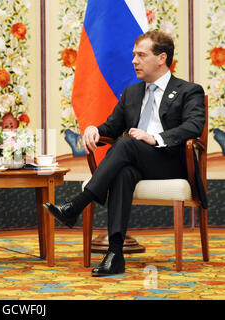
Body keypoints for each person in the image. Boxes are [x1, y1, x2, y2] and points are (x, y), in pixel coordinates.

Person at [44, 30, 206, 276]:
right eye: (134, 55)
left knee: (126, 143)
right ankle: (115, 254)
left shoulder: (188, 90)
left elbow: (194, 126)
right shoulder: (132, 93)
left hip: (171, 161)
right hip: (137, 160)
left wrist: (155, 137)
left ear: (161, 58)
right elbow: (111, 127)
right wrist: (93, 130)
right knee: (123, 171)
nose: (134, 61)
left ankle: (77, 205)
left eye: (141, 55)